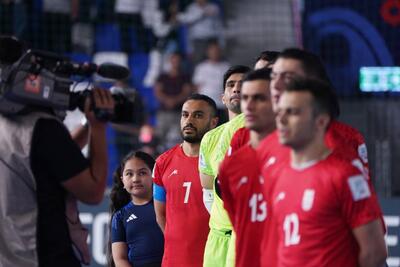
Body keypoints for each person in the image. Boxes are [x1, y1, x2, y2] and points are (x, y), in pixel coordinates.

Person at [262, 78, 387, 267]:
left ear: (320, 121)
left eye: (293, 112)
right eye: (279, 111)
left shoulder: (345, 175)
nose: (281, 119)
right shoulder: (277, 173)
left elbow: (374, 252)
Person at [0, 87, 114, 267]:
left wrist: (87, 125)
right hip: (42, 257)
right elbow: (92, 192)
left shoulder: (8, 124)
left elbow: (55, 159)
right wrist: (98, 126)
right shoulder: (43, 128)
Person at [218, 68, 275, 267]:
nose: (249, 105)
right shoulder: (230, 168)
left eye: (258, 98)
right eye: (247, 98)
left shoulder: (299, 158)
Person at [152, 94, 218, 266]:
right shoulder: (162, 162)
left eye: (198, 115)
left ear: (213, 122)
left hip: (212, 259)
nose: (189, 120)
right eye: (185, 114)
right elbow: (161, 214)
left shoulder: (221, 161)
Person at [199, 65, 251, 267]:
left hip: (244, 233)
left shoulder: (258, 129)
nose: (236, 89)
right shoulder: (209, 139)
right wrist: (221, 219)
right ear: (223, 97)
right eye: (231, 85)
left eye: (243, 84)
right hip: (217, 237)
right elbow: (208, 188)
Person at [109, 151, 164, 267]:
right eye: (129, 174)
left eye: (142, 173)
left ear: (154, 175)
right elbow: (120, 259)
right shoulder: (120, 216)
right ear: (122, 180)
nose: (135, 179)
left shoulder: (167, 206)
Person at [154, 52, 193, 150]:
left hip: (178, 113)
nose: (175, 62)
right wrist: (167, 100)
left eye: (178, 60)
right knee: (159, 138)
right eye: (174, 59)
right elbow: (157, 91)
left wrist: (174, 101)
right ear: (170, 61)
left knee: (178, 139)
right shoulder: (162, 76)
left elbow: (186, 92)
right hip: (163, 112)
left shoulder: (185, 77)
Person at [193, 41, 230, 123]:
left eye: (217, 50)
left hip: (221, 105)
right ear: (208, 52)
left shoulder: (226, 66)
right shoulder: (201, 67)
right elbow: (196, 87)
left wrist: (227, 106)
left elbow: (228, 87)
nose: (214, 52)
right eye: (212, 50)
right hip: (205, 104)